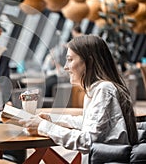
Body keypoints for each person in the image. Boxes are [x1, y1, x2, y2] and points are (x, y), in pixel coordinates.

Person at [19, 35, 138, 163]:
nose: (65, 67)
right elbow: (90, 123)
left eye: (70, 60)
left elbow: (88, 140)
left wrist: (43, 126)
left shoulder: (104, 90)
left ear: (89, 62)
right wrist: (52, 119)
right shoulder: (97, 89)